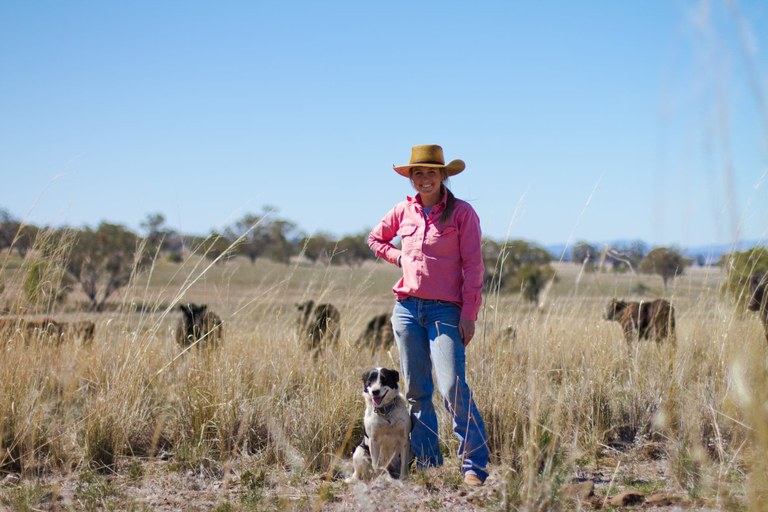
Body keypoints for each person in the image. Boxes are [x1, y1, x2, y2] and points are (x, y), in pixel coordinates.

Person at [367, 144, 489, 487]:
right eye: (417, 173)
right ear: (410, 178)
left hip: (446, 311)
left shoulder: (462, 213)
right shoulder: (402, 211)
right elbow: (375, 240)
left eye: (431, 172)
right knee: (417, 391)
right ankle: (430, 465)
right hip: (407, 310)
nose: (424, 178)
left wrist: (469, 314)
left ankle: (474, 467)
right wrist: (399, 258)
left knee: (453, 387)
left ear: (443, 175)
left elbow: (474, 266)